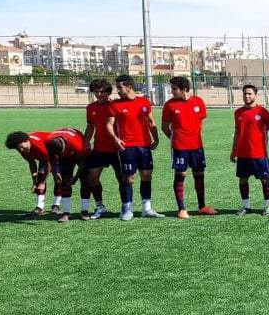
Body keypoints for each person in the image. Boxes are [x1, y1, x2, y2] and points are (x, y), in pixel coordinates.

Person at [106, 74, 164, 221]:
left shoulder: (144, 102)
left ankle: (147, 208)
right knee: (128, 178)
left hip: (144, 146)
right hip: (127, 147)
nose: (118, 90)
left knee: (146, 175)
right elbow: (109, 124)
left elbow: (151, 122)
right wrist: (115, 139)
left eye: (120, 87)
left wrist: (156, 138)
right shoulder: (115, 105)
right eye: (117, 87)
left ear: (129, 87)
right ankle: (127, 208)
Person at [161, 76, 216, 219]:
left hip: (197, 146)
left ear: (184, 89)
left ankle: (202, 207)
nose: (172, 91)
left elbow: (200, 123)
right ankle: (181, 209)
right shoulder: (169, 105)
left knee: (199, 175)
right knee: (180, 176)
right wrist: (175, 138)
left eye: (174, 89)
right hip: (180, 147)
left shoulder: (198, 101)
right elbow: (164, 127)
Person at [231, 84, 269, 216]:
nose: (247, 96)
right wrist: (233, 151)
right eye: (245, 93)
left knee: (265, 180)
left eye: (250, 93)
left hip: (259, 154)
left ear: (255, 95)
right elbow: (237, 132)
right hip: (243, 154)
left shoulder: (263, 112)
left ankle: (267, 207)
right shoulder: (238, 113)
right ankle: (246, 206)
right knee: (243, 180)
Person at [83, 78, 117, 220]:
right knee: (93, 177)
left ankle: (126, 206)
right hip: (99, 148)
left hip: (117, 148)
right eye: (96, 92)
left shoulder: (116, 105)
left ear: (108, 92)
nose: (99, 94)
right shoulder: (91, 108)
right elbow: (90, 126)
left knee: (123, 179)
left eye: (102, 91)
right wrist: (86, 142)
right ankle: (100, 206)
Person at [5, 131, 56, 216]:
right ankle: (40, 207)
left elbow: (48, 163)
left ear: (27, 140)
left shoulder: (39, 146)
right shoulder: (22, 149)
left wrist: (43, 182)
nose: (21, 150)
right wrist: (35, 182)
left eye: (21, 147)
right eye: (18, 149)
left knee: (58, 178)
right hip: (44, 158)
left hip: (57, 154)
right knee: (39, 179)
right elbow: (32, 163)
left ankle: (56, 206)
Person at [43, 128, 89, 223]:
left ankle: (85, 211)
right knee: (65, 181)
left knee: (85, 179)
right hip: (66, 152)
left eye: (60, 153)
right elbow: (51, 158)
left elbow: (83, 161)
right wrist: (56, 172)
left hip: (78, 151)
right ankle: (66, 213)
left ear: (63, 146)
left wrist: (76, 177)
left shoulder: (77, 145)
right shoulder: (49, 141)